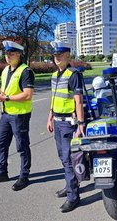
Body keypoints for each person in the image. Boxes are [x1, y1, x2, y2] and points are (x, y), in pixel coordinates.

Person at [0, 40, 34, 191]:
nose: (7, 56)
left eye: (11, 53)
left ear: (19, 54)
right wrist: (1, 95)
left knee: (22, 146)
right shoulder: (6, 70)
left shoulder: (26, 71)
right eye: (6, 53)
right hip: (6, 113)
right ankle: (2, 173)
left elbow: (28, 95)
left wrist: (6, 98)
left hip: (20, 115)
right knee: (0, 142)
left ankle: (24, 176)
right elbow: (7, 90)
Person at [46, 40, 85, 213]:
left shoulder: (73, 74)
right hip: (57, 121)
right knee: (63, 158)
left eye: (60, 55)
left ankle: (73, 197)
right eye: (55, 55)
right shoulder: (55, 75)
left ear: (68, 56)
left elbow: (78, 101)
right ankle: (71, 185)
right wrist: (49, 118)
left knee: (69, 160)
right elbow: (54, 100)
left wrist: (81, 123)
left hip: (68, 124)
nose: (56, 58)